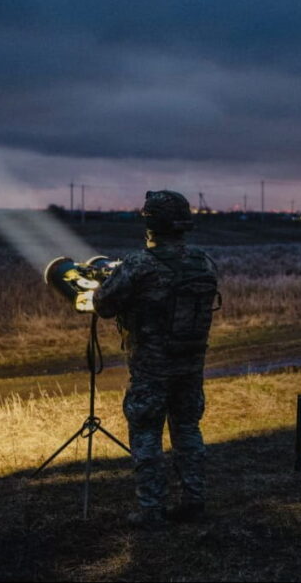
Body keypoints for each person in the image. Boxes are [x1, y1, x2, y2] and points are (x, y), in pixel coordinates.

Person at [93, 190, 220, 529]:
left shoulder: (139, 265)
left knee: (147, 434)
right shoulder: (204, 261)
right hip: (191, 364)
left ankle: (151, 510)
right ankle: (194, 500)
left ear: (150, 223)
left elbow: (104, 305)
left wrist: (105, 280)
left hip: (151, 367)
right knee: (188, 430)